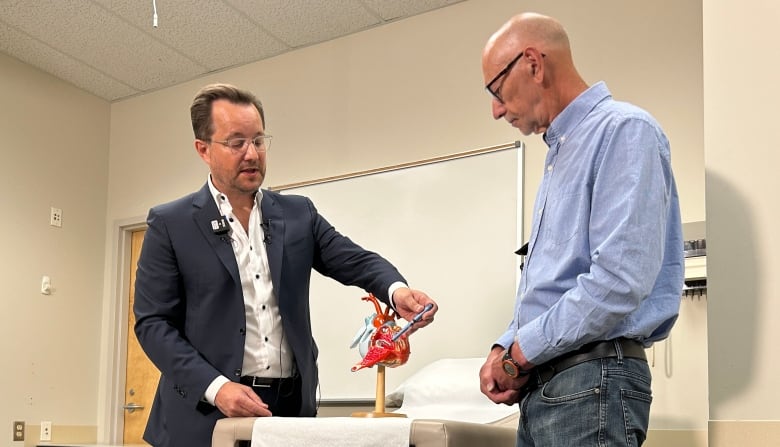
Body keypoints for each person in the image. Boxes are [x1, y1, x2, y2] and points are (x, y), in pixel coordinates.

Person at [133, 83, 438, 447]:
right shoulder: (172, 224)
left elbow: (353, 259)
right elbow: (153, 324)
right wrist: (217, 388)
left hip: (289, 411)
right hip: (206, 414)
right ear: (203, 150)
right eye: (236, 142)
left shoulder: (297, 215)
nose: (252, 153)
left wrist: (396, 291)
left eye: (259, 141)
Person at [478, 13, 683, 446]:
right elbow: (557, 281)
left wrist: (517, 354)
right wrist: (505, 346)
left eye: (497, 91)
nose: (496, 110)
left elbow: (616, 283)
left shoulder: (623, 131)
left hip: (590, 383)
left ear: (533, 63)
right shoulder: (559, 157)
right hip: (550, 388)